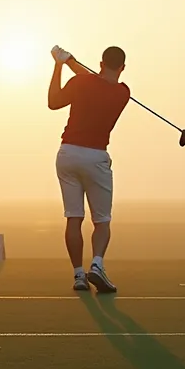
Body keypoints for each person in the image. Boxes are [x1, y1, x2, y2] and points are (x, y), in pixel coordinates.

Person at [48, 44, 130, 293]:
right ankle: (97, 264)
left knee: (74, 217)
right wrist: (71, 61)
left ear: (101, 63)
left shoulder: (81, 82)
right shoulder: (123, 92)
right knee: (102, 220)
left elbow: (53, 102)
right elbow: (90, 77)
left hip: (68, 154)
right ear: (123, 68)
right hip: (96, 156)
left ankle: (78, 276)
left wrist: (59, 64)